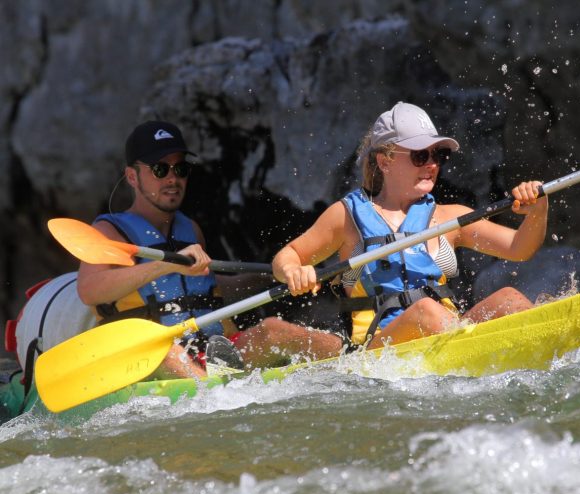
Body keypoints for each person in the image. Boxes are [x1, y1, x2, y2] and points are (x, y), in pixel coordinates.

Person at [77, 120, 342, 377]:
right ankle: (213, 395)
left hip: (212, 349)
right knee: (167, 352)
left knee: (274, 329)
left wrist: (270, 278)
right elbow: (90, 290)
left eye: (180, 169)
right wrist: (163, 266)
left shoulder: (190, 229)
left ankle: (354, 356)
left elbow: (206, 290)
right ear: (132, 176)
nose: (172, 178)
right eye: (160, 169)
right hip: (152, 356)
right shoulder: (108, 232)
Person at [272, 102, 548, 349]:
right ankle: (472, 350)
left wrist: (537, 210)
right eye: (419, 156)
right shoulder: (345, 217)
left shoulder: (449, 218)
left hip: (446, 335)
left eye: (436, 155)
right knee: (425, 311)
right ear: (385, 161)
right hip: (378, 349)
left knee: (509, 299)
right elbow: (287, 256)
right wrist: (294, 271)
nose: (431, 165)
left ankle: (547, 344)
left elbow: (519, 248)